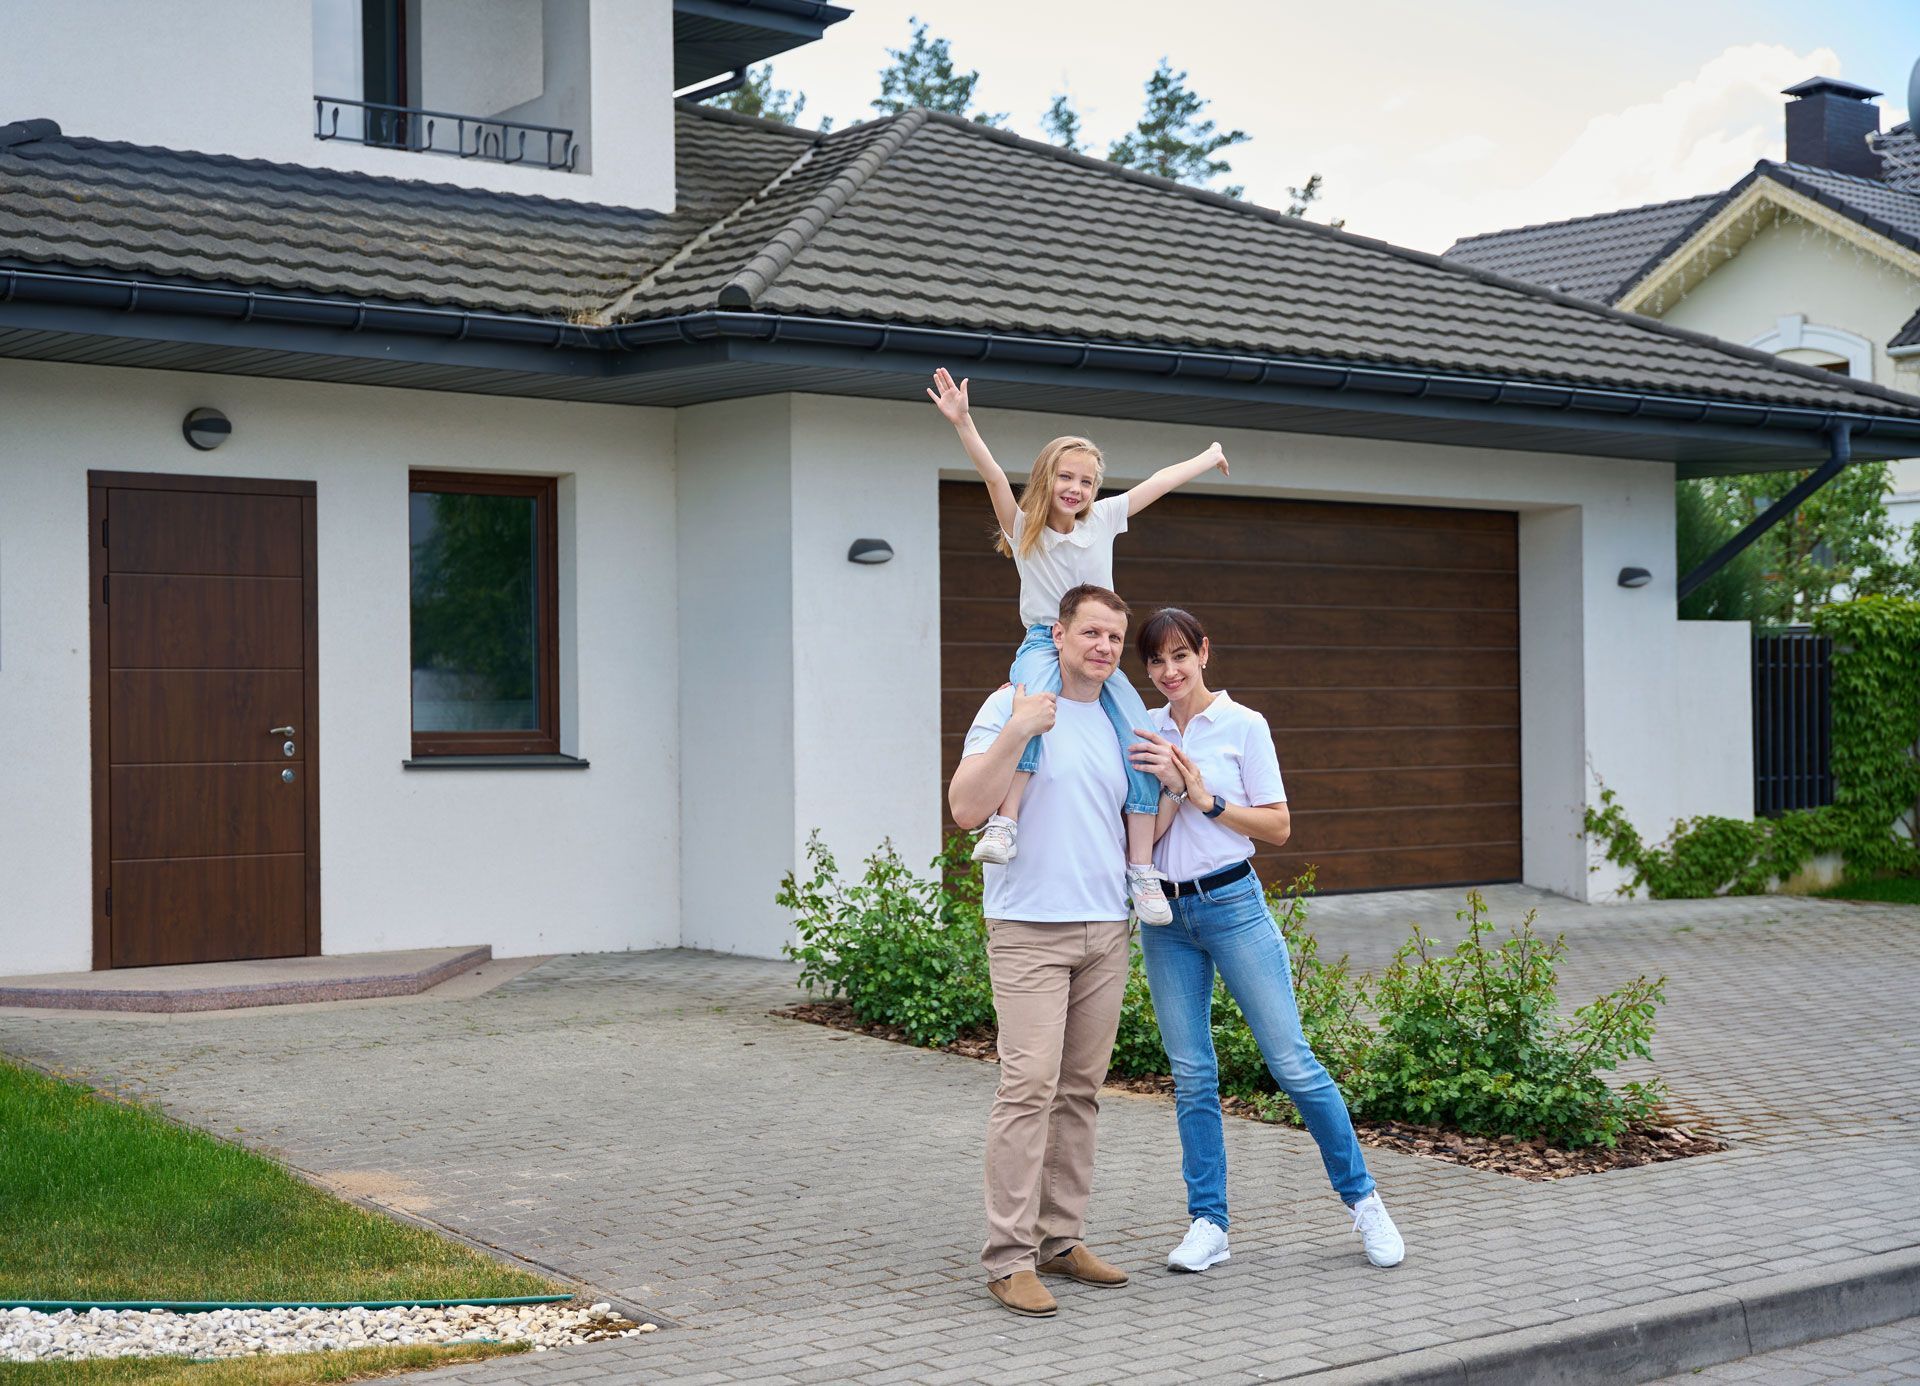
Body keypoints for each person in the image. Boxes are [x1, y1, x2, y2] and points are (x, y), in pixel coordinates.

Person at [1125, 607, 1406, 1274]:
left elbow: (1278, 828)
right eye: (1156, 661)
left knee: (1292, 1062)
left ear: (1203, 653)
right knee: (1192, 1074)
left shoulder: (1244, 726)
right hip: (1167, 917)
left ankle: (1365, 1203)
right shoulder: (1145, 731)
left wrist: (1204, 796)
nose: (1169, 671)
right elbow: (1141, 835)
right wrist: (1168, 791)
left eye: (1179, 656)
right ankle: (1209, 1223)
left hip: (1232, 904)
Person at [928, 365, 1227, 926]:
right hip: (1045, 643)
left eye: (1087, 482)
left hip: (1097, 647)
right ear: (1046, 479)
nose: (1077, 489)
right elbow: (992, 476)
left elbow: (1158, 482)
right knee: (1034, 712)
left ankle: (1140, 866)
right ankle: (1006, 821)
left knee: (1139, 732)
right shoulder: (1025, 529)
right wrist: (964, 423)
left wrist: (1208, 455)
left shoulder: (1106, 517)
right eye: (1067, 478)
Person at [949, 583, 1144, 1318]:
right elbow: (967, 809)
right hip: (1029, 928)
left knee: (1080, 1092)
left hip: (1105, 928)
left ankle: (1060, 1241)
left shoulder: (1119, 721)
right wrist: (1016, 728)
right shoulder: (1012, 705)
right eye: (1091, 632)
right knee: (1027, 1087)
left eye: (1114, 639)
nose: (1102, 647)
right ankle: (1007, 1258)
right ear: (1057, 635)